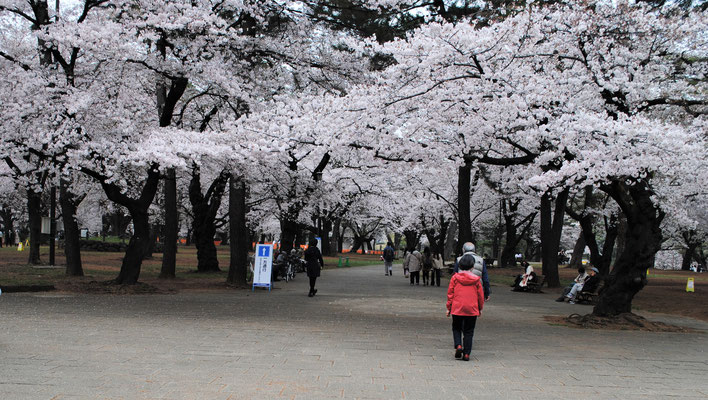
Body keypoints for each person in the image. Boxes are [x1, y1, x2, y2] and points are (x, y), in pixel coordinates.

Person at [446, 254, 484, 362]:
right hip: (472, 309)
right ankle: (467, 353)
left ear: (460, 266)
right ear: (472, 266)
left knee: (456, 328)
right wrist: (480, 308)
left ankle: (458, 345)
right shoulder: (476, 280)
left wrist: (449, 307)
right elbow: (480, 296)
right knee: (469, 331)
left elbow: (450, 294)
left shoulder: (455, 278)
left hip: (457, 307)